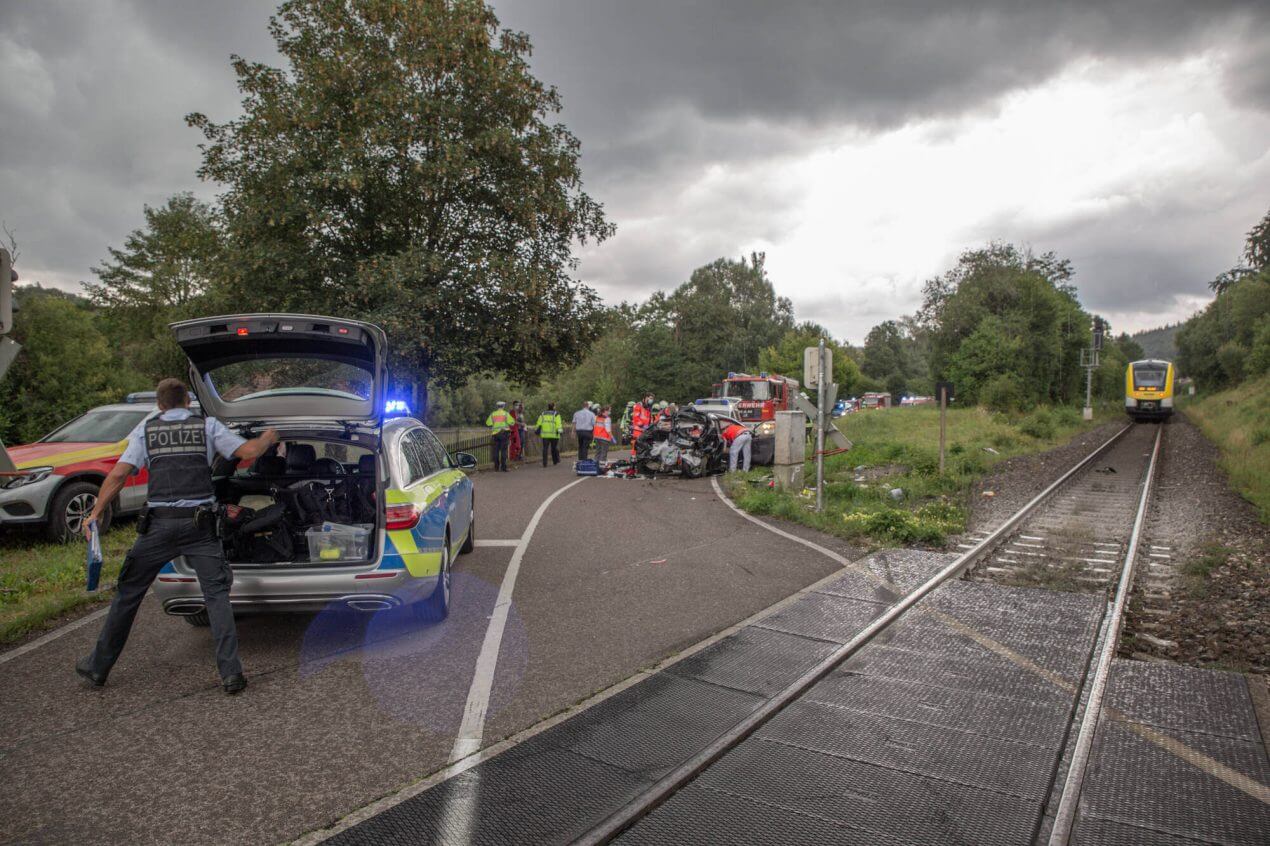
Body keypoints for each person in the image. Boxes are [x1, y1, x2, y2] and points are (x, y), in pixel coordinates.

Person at [75, 378, 279, 694]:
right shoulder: (207, 427)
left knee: (128, 593)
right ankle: (231, 674)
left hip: (157, 528)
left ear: (159, 405)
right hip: (199, 528)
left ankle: (98, 667)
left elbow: (118, 475)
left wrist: (96, 512)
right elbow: (249, 451)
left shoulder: (146, 431)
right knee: (216, 597)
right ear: (187, 401)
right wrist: (267, 437)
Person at [486, 401, 513, 472]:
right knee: (504, 451)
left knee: (496, 451)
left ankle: (496, 467)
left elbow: (488, 423)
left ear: (497, 406)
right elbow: (512, 422)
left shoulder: (493, 414)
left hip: (495, 434)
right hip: (504, 434)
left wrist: (495, 424)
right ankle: (504, 467)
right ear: (503, 406)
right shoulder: (506, 414)